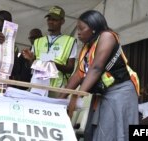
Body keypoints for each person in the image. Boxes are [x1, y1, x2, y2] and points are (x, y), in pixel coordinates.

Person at [59, 10, 140, 141]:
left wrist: (77, 96)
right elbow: (78, 75)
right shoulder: (87, 48)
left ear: (94, 28)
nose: (78, 32)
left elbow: (96, 68)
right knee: (94, 132)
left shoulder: (107, 36)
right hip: (104, 93)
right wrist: (59, 99)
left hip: (120, 92)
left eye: (81, 28)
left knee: (111, 132)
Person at [22, 6, 77, 97]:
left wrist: (54, 65)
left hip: (56, 89)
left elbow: (70, 69)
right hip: (37, 87)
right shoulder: (38, 41)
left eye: (54, 20)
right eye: (49, 19)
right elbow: (31, 67)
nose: (51, 22)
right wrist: (31, 59)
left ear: (62, 21)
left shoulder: (70, 41)